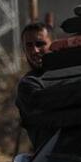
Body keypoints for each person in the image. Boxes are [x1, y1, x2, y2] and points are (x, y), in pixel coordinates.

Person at [15, 22, 53, 151]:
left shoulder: (71, 73)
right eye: (29, 45)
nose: (34, 51)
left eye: (40, 44)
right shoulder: (29, 85)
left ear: (54, 43)